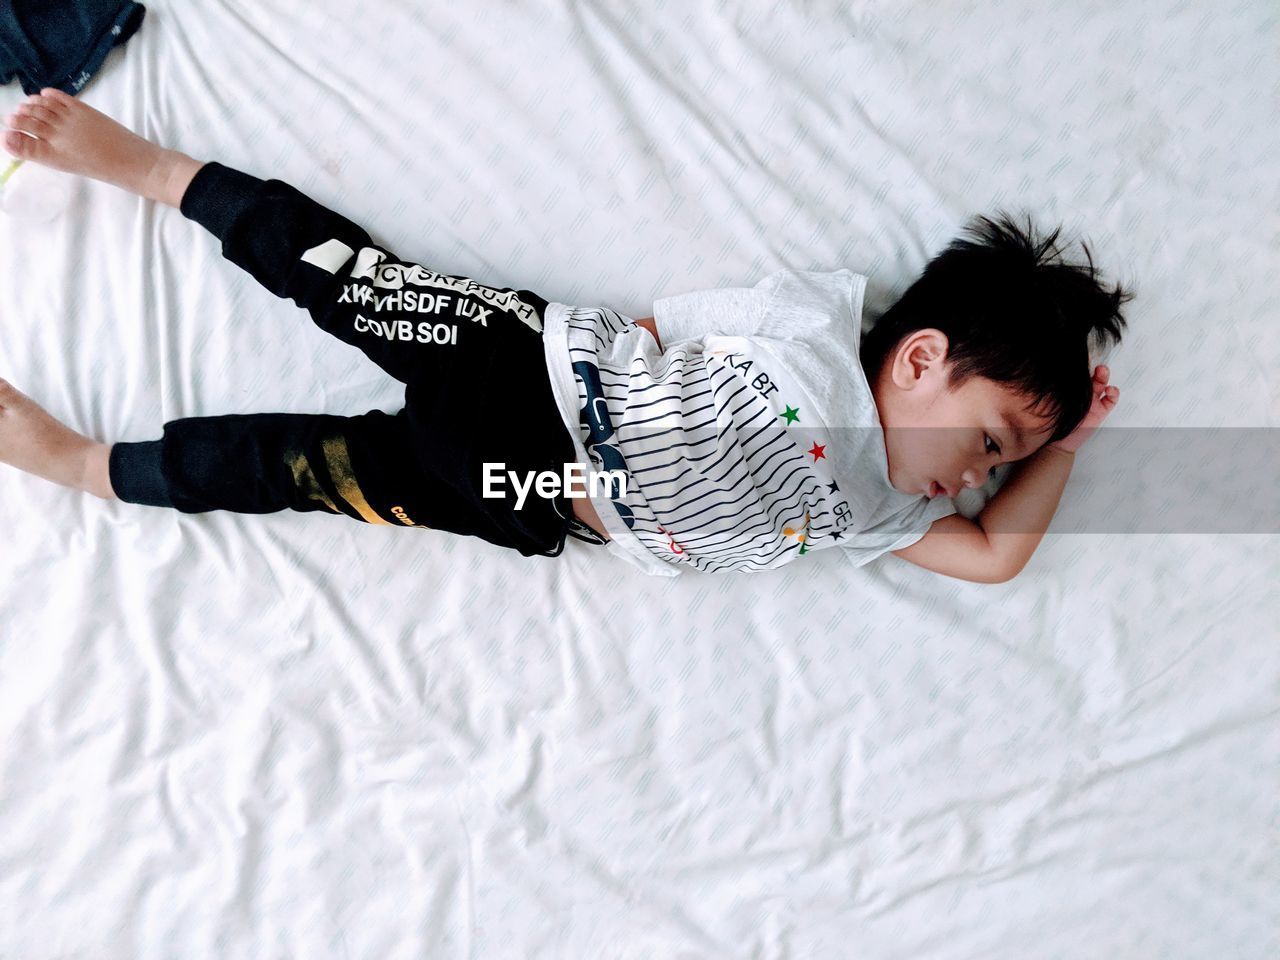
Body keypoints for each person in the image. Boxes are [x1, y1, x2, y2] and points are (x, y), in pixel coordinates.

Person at [0, 89, 1126, 582]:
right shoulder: (816, 324)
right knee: (343, 273)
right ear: (920, 358)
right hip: (525, 366)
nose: (972, 480)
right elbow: (678, 322)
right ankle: (148, 168)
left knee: (297, 472)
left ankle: (84, 464)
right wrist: (626, 345)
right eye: (987, 442)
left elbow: (994, 558)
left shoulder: (876, 517)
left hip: (522, 492)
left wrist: (1057, 451)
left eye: (996, 468)